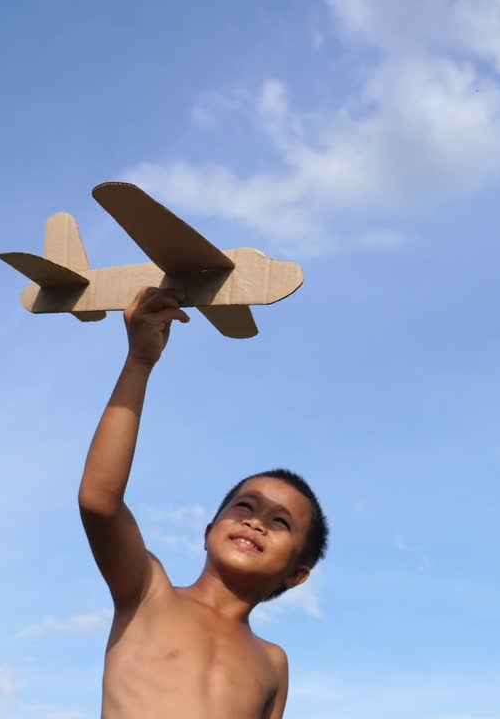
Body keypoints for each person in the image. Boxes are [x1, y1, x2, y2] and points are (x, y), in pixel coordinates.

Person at [77, 286, 329, 718]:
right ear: (209, 530)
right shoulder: (147, 592)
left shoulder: (273, 662)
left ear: (298, 574)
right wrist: (140, 362)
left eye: (280, 521)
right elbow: (99, 501)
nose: (255, 523)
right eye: (244, 507)